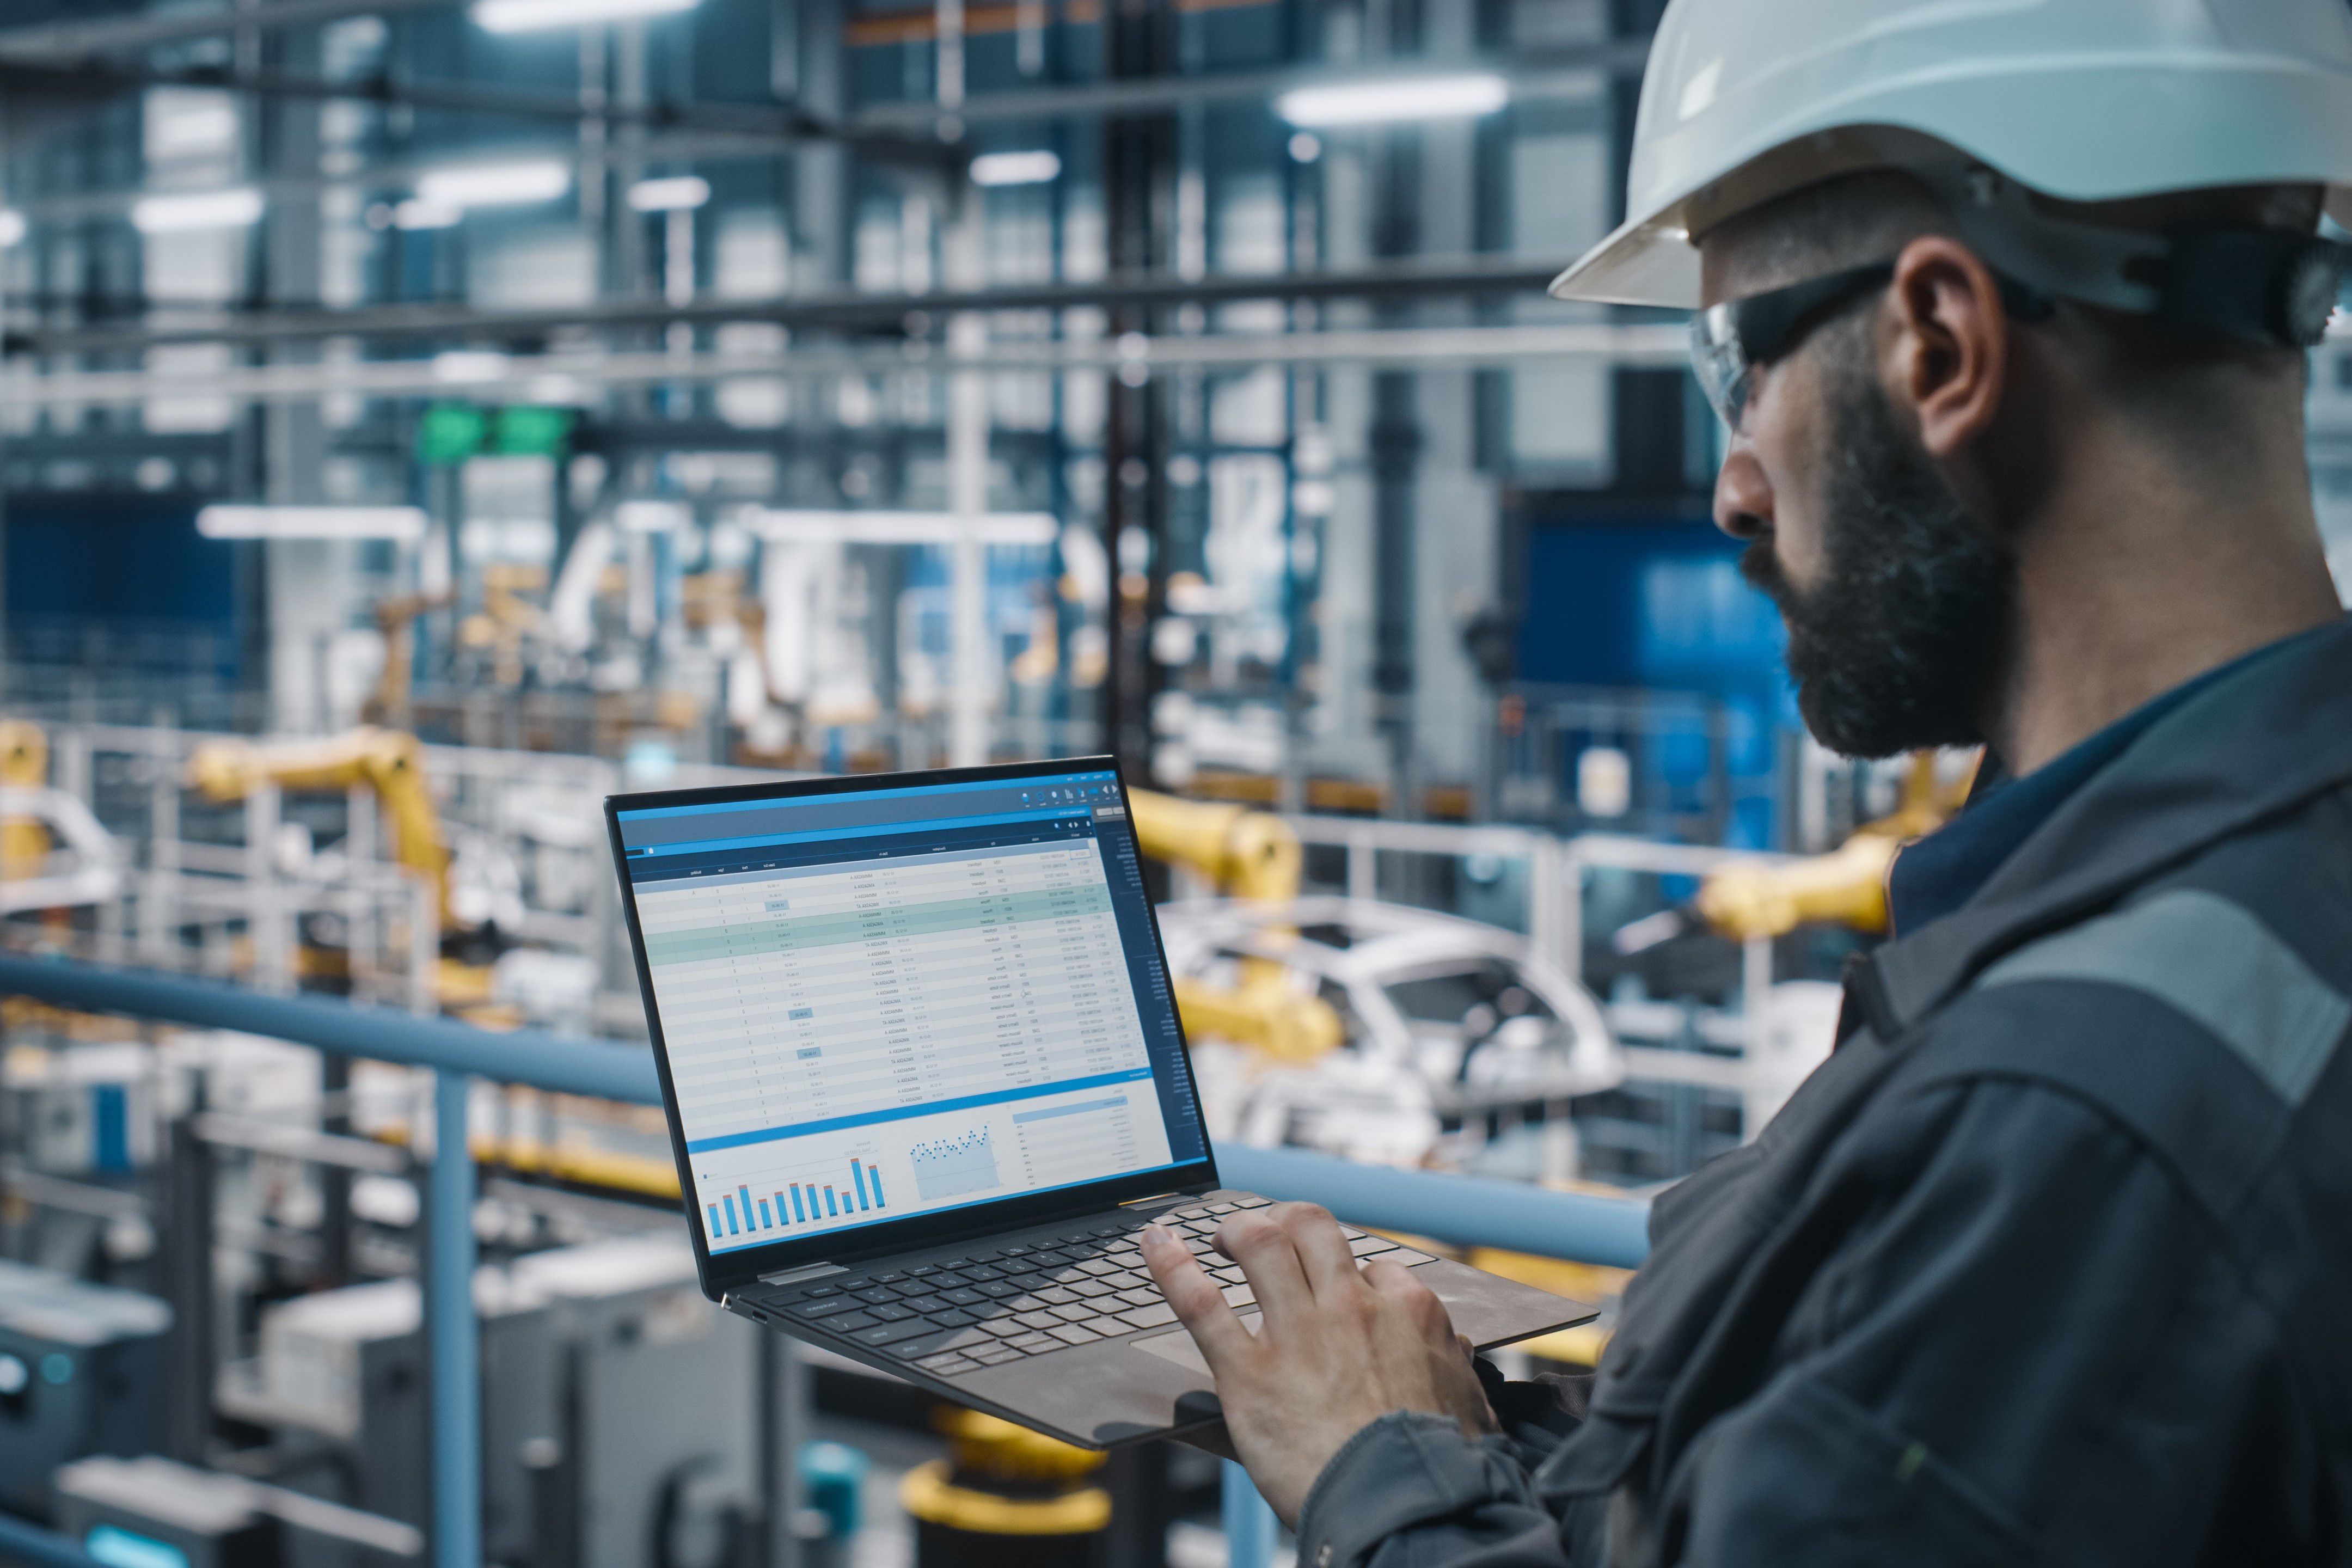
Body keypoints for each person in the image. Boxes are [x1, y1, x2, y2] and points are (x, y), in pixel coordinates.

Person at [1140, 2, 2352, 1562]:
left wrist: (1377, 1476)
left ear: (1940, 344)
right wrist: (1466, 1441)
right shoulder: (2229, 894)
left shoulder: (2070, 1126)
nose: (1731, 488)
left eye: (1738, 371)